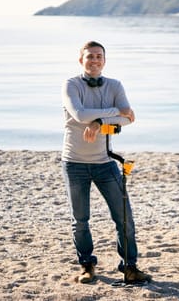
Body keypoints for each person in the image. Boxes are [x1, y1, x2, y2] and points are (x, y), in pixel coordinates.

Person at [61, 41, 152, 284]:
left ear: (104, 60)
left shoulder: (115, 85)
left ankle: (130, 267)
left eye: (99, 56)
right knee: (80, 220)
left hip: (105, 162)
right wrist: (114, 112)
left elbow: (129, 120)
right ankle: (87, 265)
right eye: (90, 56)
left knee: (124, 218)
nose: (95, 60)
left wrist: (100, 123)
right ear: (81, 60)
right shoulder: (71, 85)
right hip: (74, 163)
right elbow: (79, 114)